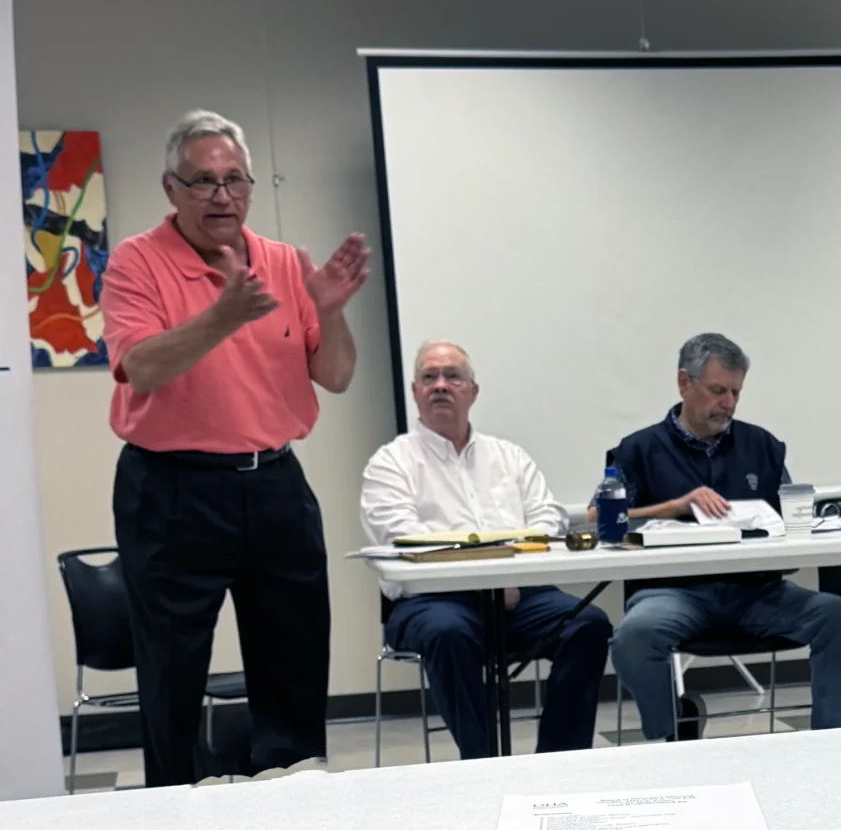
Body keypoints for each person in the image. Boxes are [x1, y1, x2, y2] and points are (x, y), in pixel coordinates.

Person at [100, 109, 370, 786]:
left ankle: (291, 784)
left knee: (296, 655)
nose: (222, 195)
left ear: (251, 186)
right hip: (172, 487)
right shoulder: (137, 261)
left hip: (274, 482)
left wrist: (331, 311)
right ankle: (177, 797)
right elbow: (142, 367)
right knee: (172, 666)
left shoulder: (283, 263)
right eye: (203, 182)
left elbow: (335, 376)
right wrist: (222, 315)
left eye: (233, 180)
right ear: (171, 189)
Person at [361, 341, 611, 759]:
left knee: (587, 624)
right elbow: (401, 537)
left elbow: (548, 519)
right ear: (415, 391)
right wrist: (483, 579)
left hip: (519, 596)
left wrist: (506, 577)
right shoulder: (391, 463)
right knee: (449, 633)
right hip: (432, 601)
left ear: (473, 392)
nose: (441, 386)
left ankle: (560, 761)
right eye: (430, 377)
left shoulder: (509, 457)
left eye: (453, 376)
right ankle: (484, 766)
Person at [605, 334, 841, 740]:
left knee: (838, 616)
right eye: (717, 391)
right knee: (634, 638)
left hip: (757, 591)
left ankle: (834, 743)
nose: (727, 403)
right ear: (683, 383)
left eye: (736, 392)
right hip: (673, 593)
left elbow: (790, 519)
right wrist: (674, 506)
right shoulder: (639, 450)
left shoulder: (761, 445)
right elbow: (601, 519)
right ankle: (670, 736)